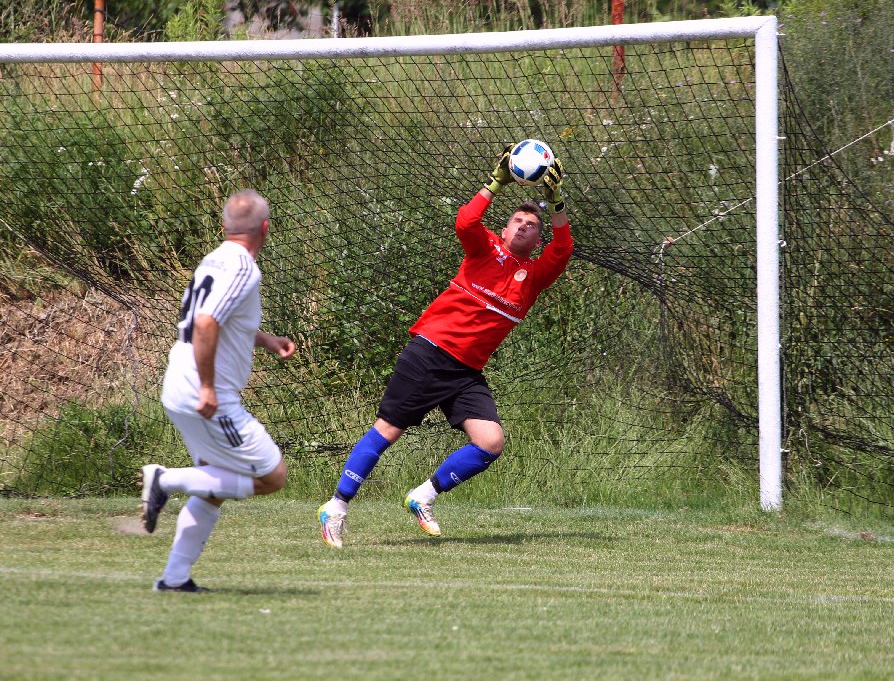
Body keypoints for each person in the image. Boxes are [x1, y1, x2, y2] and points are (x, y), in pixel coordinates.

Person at [318, 145, 573, 547]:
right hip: (429, 353)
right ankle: (336, 507)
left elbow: (564, 249)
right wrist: (496, 181)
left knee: (490, 442)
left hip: (465, 372)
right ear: (504, 230)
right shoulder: (484, 249)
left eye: (531, 224)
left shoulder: (536, 275)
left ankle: (423, 496)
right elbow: (466, 221)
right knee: (388, 431)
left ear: (538, 238)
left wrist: (556, 202)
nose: (523, 226)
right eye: (517, 220)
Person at [139, 189, 296, 592]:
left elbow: (223, 320)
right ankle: (165, 480)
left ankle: (174, 579)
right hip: (206, 394)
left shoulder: (214, 258)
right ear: (265, 228)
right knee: (271, 476)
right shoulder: (244, 266)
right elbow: (207, 323)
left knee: (213, 485)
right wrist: (208, 387)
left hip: (178, 384)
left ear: (225, 226)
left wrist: (268, 340)